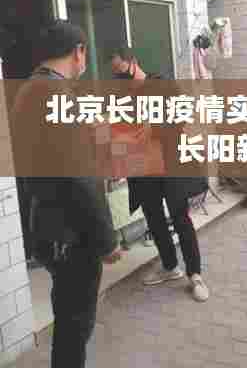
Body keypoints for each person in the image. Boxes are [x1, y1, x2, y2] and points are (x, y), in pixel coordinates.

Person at [11, 21, 122, 368]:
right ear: (78, 51)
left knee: (68, 316)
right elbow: (80, 177)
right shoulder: (57, 95)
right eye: (85, 53)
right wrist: (107, 241)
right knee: (75, 326)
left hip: (46, 224)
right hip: (72, 234)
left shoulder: (29, 90)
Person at [111, 51, 210, 302]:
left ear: (133, 63)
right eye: (115, 74)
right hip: (143, 170)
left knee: (180, 218)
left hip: (169, 166)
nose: (120, 78)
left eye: (122, 71)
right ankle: (170, 266)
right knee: (154, 220)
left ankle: (195, 274)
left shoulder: (162, 84)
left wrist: (153, 129)